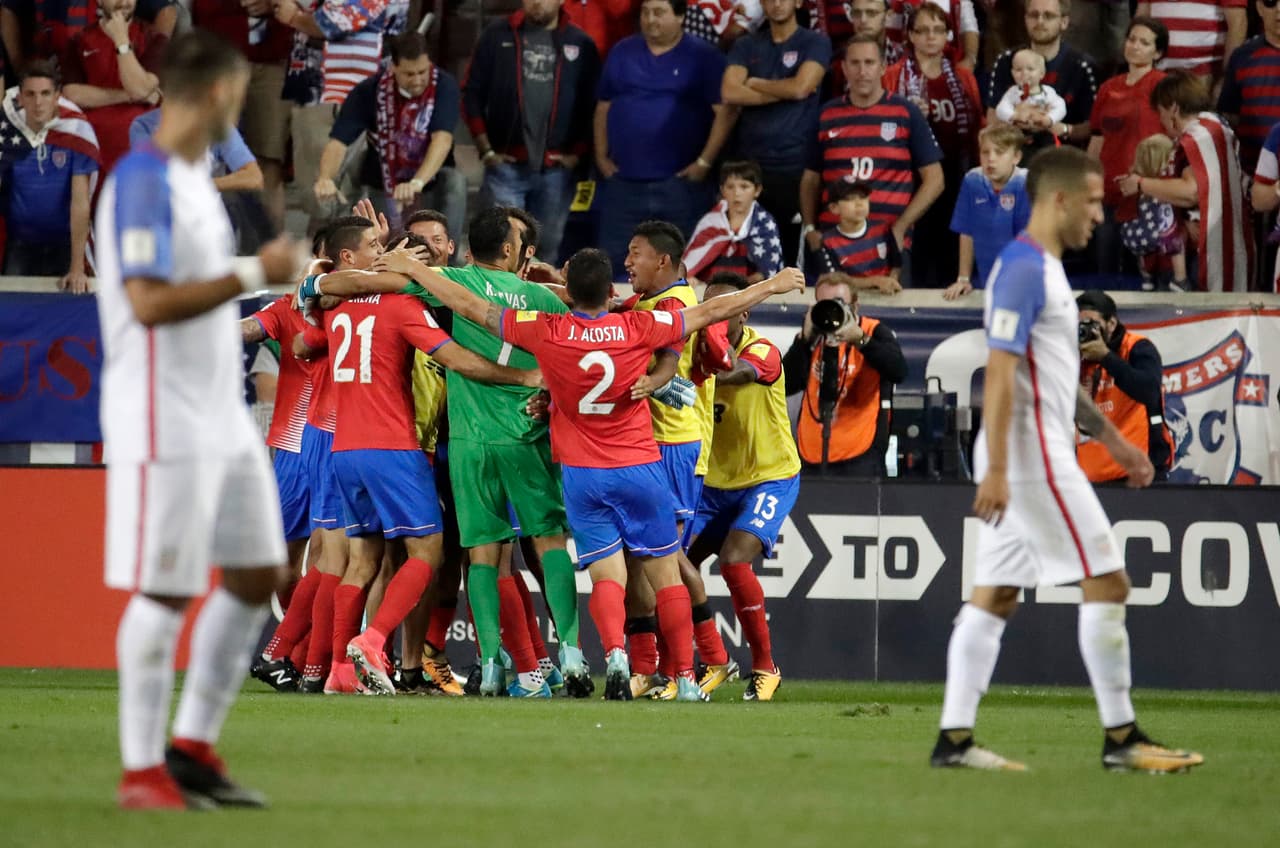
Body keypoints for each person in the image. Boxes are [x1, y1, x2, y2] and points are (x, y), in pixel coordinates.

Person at [383, 246, 806, 702]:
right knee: (666, 574)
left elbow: (473, 308)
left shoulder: (548, 329)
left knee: (607, 577)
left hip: (583, 476)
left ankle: (616, 657)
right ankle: (685, 678)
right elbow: (712, 310)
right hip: (638, 468)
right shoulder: (638, 326)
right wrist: (772, 285)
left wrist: (415, 268)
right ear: (610, 292)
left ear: (569, 290)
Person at [930, 146, 1202, 773]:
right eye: (1094, 201)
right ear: (1059, 199)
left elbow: (1050, 376)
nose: (1100, 215)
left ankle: (954, 741)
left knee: (995, 597)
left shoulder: (1044, 271)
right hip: (1029, 455)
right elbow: (1000, 371)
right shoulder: (1025, 270)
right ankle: (1122, 738)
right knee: (1108, 581)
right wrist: (1001, 468)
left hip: (1029, 449)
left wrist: (1113, 441)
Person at [96, 30, 301, 810]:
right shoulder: (142, 181)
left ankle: (191, 749)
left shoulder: (191, 181)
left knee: (256, 574)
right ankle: (140, 770)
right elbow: (148, 303)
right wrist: (256, 273)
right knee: (165, 591)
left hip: (221, 411)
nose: (238, 109)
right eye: (238, 94)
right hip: (165, 417)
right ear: (216, 93)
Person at [308, 207, 589, 699]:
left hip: (417, 444)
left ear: (461, 246)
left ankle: (350, 667)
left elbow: (332, 304)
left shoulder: (419, 288)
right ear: (512, 250)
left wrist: (314, 282)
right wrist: (538, 380)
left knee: (449, 556)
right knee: (523, 547)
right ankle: (557, 654)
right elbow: (568, 346)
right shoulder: (532, 297)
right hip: (493, 439)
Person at [686, 271, 801, 702]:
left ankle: (765, 667)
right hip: (712, 484)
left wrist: (690, 375)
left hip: (768, 477)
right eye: (708, 309)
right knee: (670, 565)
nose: (714, 317)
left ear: (743, 314)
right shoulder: (689, 351)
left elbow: (736, 373)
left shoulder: (763, 350)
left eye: (725, 310)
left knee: (734, 562)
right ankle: (707, 661)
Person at [593, 0, 734, 274]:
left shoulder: (704, 56)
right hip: (624, 184)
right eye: (645, 13)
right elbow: (603, 106)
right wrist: (600, 156)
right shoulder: (622, 51)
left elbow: (725, 112)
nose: (650, 19)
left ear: (680, 16)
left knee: (682, 267)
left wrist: (704, 162)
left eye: (659, 12)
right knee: (614, 265)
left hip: (680, 186)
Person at [463, 0, 599, 267]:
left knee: (545, 252)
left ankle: (536, 295)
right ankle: (496, 296)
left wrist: (578, 153)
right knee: (499, 249)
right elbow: (471, 93)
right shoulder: (496, 35)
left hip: (557, 169)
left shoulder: (580, 42)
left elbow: (593, 105)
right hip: (505, 165)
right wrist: (485, 148)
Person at [799, 35, 943, 278]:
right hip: (834, 243)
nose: (862, 71)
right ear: (844, 68)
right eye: (855, 63)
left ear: (883, 67)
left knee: (892, 303)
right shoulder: (826, 115)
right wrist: (810, 229)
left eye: (869, 63)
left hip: (890, 243)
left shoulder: (906, 112)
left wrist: (901, 226)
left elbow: (935, 179)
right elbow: (810, 180)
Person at [241, 287, 321, 692]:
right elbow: (249, 329)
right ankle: (295, 654)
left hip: (338, 446)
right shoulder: (288, 308)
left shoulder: (361, 305)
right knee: (285, 565)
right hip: (292, 450)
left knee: (333, 559)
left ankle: (307, 657)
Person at [314, 32, 466, 243]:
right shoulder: (369, 91)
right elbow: (339, 142)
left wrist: (416, 183)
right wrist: (325, 178)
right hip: (383, 180)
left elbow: (442, 140)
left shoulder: (444, 85)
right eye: (409, 74)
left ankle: (449, 257)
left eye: (422, 72)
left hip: (431, 180)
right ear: (393, 67)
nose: (418, 80)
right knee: (384, 241)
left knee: (455, 182)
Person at [1119, 69, 1252, 292]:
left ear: (1173, 108)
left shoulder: (1195, 139)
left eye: (1160, 112)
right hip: (1232, 241)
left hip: (1206, 251)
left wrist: (1141, 184)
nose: (1161, 120)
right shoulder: (1219, 126)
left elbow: (1191, 191)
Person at [720, 0, 831, 264]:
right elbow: (730, 92)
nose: (777, 4)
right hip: (751, 167)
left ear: (798, 2)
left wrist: (756, 83)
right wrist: (785, 91)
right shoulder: (746, 45)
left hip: (795, 167)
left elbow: (801, 88)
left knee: (791, 257)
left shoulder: (814, 42)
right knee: (750, 258)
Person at [882, 1, 983, 287]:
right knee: (919, 251)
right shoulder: (893, 75)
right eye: (923, 30)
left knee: (950, 247)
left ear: (947, 36)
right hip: (910, 176)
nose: (931, 37)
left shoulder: (963, 77)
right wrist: (908, 115)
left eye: (938, 30)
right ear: (911, 35)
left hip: (955, 172)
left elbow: (976, 123)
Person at [782, 271, 907, 475]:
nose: (832, 311)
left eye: (839, 304)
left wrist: (860, 339)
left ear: (855, 306)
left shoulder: (872, 330)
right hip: (811, 452)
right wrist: (803, 340)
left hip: (859, 452)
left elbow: (898, 371)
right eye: (824, 304)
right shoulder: (814, 336)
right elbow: (784, 386)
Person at [189, 0, 294, 229]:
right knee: (213, 156)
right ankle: (220, 236)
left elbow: (306, 8)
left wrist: (273, 4)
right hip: (215, 61)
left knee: (268, 160)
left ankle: (268, 242)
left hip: (268, 63)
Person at [1, 61, 98, 293]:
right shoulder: (6, 133)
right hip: (20, 244)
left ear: (57, 96)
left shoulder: (77, 132)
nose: (38, 102)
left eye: (45, 94)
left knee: (71, 311)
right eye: (30, 94)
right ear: (20, 98)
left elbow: (80, 201)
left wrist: (77, 267)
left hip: (65, 244)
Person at [1086, 16, 1167, 279]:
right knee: (1106, 270)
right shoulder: (1108, 87)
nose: (1135, 46)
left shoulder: (1162, 86)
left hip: (1146, 195)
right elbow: (1097, 138)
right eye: (1132, 39)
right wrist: (1087, 185)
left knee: (1144, 275)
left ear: (1158, 53)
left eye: (1144, 42)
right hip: (1108, 190)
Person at [1076, 290, 1175, 483]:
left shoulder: (1136, 347)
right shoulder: (1075, 357)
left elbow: (1149, 391)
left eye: (1091, 324)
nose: (1084, 331)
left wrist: (1105, 357)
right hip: (1091, 473)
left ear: (1111, 324)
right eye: (1079, 326)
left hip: (1138, 471)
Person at [60, 0, 167, 173]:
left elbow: (139, 88)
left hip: (141, 152)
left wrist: (120, 40)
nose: (124, 2)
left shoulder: (154, 38)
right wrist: (130, 95)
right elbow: (72, 94)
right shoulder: (79, 40)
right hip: (94, 152)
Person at [985, 0, 1098, 150]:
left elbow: (1094, 126)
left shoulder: (1082, 66)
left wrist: (1060, 128)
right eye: (1033, 15)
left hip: (1063, 155)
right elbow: (992, 117)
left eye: (1048, 16)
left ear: (1064, 22)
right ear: (1025, 19)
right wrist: (1015, 119)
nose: (1040, 21)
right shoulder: (1006, 61)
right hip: (1014, 152)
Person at [946, 123, 1030, 299]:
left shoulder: (1026, 184)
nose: (991, 159)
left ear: (1016, 157)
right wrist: (963, 278)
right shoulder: (972, 180)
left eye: (999, 152)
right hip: (985, 280)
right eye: (985, 152)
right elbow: (966, 232)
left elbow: (1028, 240)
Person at [683, 160, 784, 285]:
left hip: (751, 291)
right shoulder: (710, 222)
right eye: (730, 187)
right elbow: (690, 264)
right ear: (722, 190)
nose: (737, 193)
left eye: (744, 187)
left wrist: (756, 279)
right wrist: (692, 277)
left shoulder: (765, 224)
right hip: (711, 289)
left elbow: (770, 269)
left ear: (757, 190)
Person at [1216, 0, 1280, 175]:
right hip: (1252, 173)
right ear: (1259, 8)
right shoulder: (1242, 56)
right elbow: (1229, 116)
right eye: (1270, 2)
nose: (1279, 10)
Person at [1136, 0, 1245, 97]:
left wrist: (1226, 77)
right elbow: (1142, 18)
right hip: (1157, 75)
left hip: (1204, 78)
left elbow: (1238, 23)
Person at [1120, 135, 1187, 290]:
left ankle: (1146, 278)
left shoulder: (1134, 186)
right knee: (1173, 232)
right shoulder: (1164, 189)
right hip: (1168, 262)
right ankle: (1181, 279)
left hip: (1145, 256)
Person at [817, 179, 903, 293]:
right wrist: (876, 281)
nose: (859, 204)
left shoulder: (883, 229)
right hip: (851, 297)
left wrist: (891, 282)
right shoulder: (828, 241)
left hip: (886, 295)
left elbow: (896, 264)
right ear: (834, 208)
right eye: (850, 199)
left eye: (863, 197)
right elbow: (836, 279)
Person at [993, 49, 1067, 127]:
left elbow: (1061, 107)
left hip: (1042, 129)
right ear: (1013, 73)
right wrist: (1015, 115)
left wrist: (1050, 118)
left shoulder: (1047, 92)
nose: (1024, 73)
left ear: (1042, 73)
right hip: (1018, 130)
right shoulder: (1013, 92)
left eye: (1030, 69)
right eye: (1018, 69)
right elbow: (1000, 109)